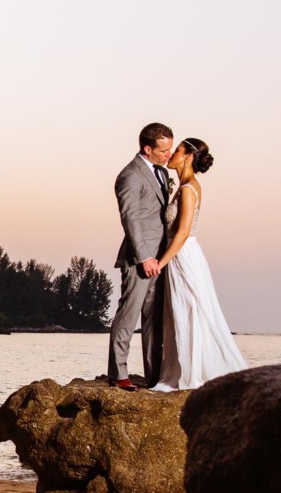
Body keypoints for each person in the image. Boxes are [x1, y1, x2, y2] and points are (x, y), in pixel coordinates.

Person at [150, 138, 248, 391]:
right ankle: (181, 368)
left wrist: (160, 263)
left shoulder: (189, 189)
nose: (171, 154)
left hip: (184, 255)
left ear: (189, 157)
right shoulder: (183, 187)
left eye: (177, 151)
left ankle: (192, 373)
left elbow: (182, 233)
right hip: (180, 254)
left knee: (190, 309)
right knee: (181, 311)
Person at [108, 122, 175, 391]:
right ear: (147, 149)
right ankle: (118, 374)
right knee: (128, 315)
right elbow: (130, 219)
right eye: (164, 150)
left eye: (170, 149)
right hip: (140, 259)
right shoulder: (130, 175)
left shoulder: (161, 172)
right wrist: (144, 257)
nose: (169, 155)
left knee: (154, 321)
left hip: (161, 258)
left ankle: (154, 376)